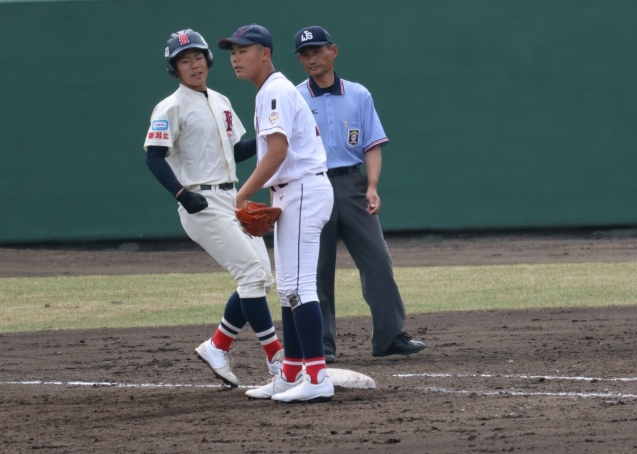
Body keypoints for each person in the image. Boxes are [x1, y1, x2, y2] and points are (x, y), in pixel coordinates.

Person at [143, 29, 284, 388]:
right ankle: (276, 358)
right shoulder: (170, 106)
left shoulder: (220, 100)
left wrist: (270, 137)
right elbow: (154, 157)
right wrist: (180, 194)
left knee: (261, 278)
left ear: (208, 60)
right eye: (184, 60)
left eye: (198, 57)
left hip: (230, 197)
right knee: (251, 275)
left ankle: (217, 346)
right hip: (200, 201)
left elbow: (235, 151)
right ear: (174, 68)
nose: (194, 65)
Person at [293, 26, 426, 362]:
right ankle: (321, 343)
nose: (311, 59)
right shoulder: (295, 97)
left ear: (333, 51)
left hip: (352, 184)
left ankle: (388, 337)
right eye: (305, 54)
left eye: (317, 51)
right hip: (312, 186)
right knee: (317, 270)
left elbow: (371, 146)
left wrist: (372, 186)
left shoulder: (358, 94)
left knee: (378, 261)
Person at [217, 24, 335, 402]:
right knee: (287, 290)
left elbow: (278, 152)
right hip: (292, 192)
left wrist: (242, 194)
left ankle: (316, 378)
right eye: (232, 52)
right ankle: (290, 373)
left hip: (303, 190)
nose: (236, 58)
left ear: (265, 53)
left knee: (299, 288)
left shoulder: (276, 90)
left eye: (243, 50)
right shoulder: (270, 91)